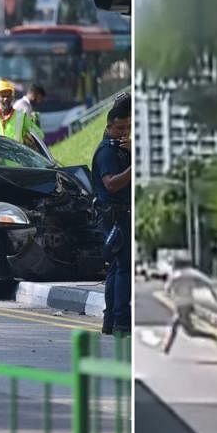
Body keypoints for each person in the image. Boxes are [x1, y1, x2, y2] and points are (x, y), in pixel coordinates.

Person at [91, 100, 132, 336]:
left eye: (127, 128)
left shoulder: (120, 148)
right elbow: (111, 183)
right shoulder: (107, 151)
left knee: (116, 269)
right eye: (119, 128)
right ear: (108, 127)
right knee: (123, 269)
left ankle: (111, 322)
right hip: (114, 215)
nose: (123, 132)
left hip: (118, 214)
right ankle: (121, 322)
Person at [162, 256, 217, 355]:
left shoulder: (176, 275)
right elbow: (208, 281)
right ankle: (166, 348)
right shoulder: (192, 273)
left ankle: (212, 336)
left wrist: (170, 293)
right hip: (188, 303)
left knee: (188, 331)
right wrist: (214, 293)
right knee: (176, 326)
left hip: (181, 305)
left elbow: (167, 288)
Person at [0, 79, 44, 143]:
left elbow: (39, 135)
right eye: (2, 96)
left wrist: (28, 140)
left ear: (12, 97)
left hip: (15, 155)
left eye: (8, 96)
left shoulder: (21, 117)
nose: (6, 99)